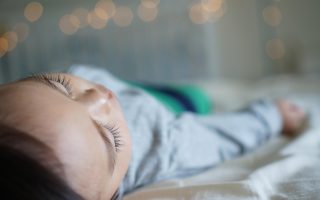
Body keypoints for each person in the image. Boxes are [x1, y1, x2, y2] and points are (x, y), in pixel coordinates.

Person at [0, 65, 306, 200]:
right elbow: (217, 138)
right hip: (170, 105)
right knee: (197, 97)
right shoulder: (159, 146)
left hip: (132, 87)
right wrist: (272, 116)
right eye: (111, 137)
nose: (100, 98)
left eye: (56, 84)